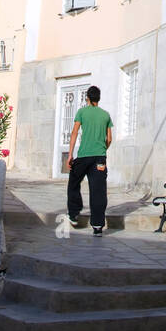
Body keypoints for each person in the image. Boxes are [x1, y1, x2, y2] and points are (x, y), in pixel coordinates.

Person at [66, 85, 113, 235]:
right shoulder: (105, 115)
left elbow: (74, 133)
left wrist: (70, 155)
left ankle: (73, 214)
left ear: (87, 97)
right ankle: (98, 226)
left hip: (84, 155)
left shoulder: (81, 112)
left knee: (74, 182)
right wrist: (102, 149)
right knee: (98, 190)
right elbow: (110, 138)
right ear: (98, 98)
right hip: (99, 157)